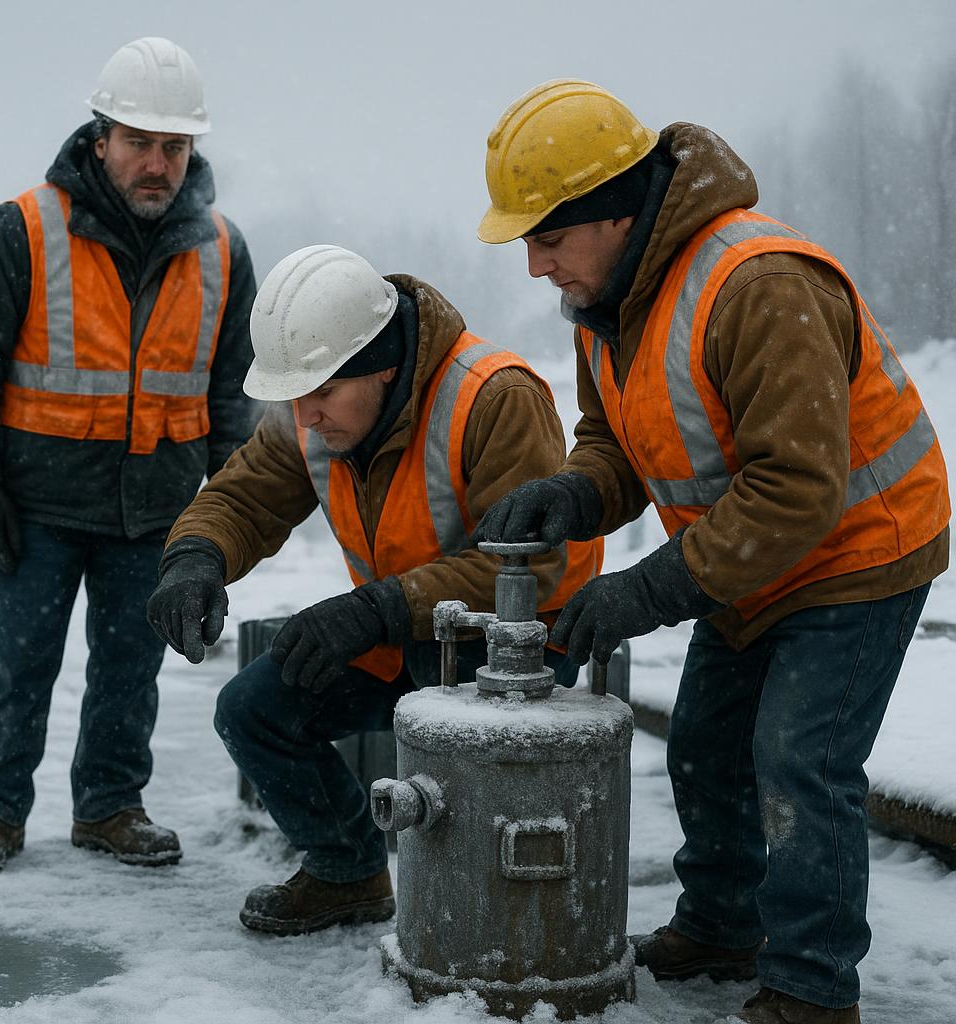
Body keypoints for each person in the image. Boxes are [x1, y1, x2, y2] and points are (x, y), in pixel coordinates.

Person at [473, 80, 950, 1024]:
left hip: (860, 552)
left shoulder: (758, 286)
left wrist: (649, 590)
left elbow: (800, 489)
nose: (534, 266)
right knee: (703, 746)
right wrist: (577, 491)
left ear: (612, 214)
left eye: (546, 238)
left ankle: (814, 986)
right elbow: (621, 443)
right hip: (748, 563)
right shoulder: (610, 304)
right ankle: (726, 923)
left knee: (796, 760)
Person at [146, 245, 602, 935]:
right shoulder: (318, 409)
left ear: (382, 366)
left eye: (321, 394)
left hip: (515, 647)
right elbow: (242, 499)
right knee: (253, 710)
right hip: (397, 633)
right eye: (296, 396)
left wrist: (377, 608)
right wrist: (194, 558)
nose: (306, 415)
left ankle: (488, 916)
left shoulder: (494, 396)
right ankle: (347, 873)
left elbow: (529, 566)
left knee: (458, 759)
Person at [0, 36, 257, 874]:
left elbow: (232, 401)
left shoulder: (222, 254)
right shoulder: (23, 231)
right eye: (141, 143)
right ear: (100, 136)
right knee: (15, 664)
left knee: (130, 667)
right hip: (34, 508)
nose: (158, 163)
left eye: (175, 146)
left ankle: (111, 807)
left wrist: (231, 517)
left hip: (156, 511)